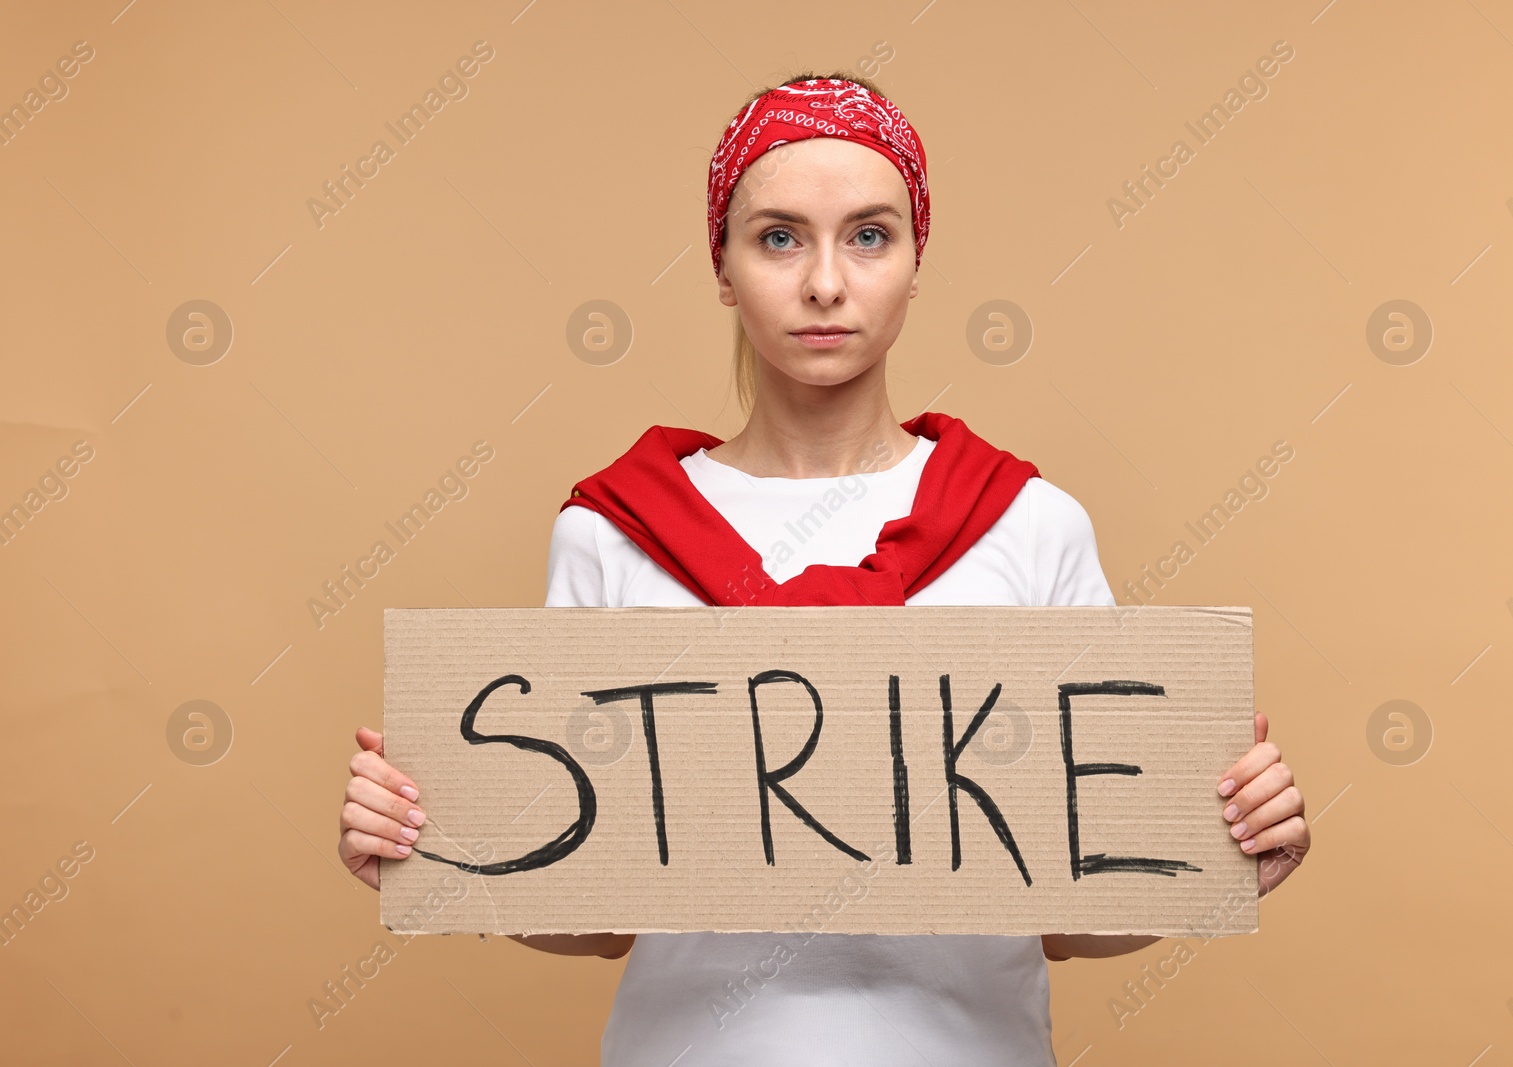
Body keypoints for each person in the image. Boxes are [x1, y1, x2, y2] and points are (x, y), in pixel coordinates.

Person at [339, 72, 1310, 1065]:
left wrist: (1217, 849)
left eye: (869, 235)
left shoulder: (1030, 524)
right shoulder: (612, 532)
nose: (825, 284)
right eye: (778, 237)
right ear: (720, 264)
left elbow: (1072, 915)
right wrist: (439, 848)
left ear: (916, 259)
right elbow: (595, 915)